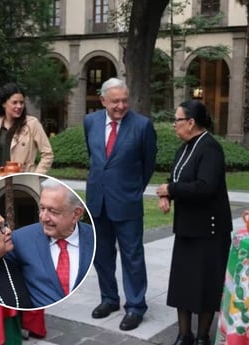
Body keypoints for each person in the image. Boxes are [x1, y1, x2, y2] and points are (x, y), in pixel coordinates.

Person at [156, 100, 232, 345]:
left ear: (191, 122)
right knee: (183, 284)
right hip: (186, 228)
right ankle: (184, 334)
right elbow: (176, 177)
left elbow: (205, 187)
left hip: (209, 231)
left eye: (177, 120)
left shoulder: (210, 148)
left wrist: (171, 188)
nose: (173, 125)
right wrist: (168, 194)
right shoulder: (184, 148)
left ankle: (202, 337)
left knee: (206, 285)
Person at [84, 77, 157, 331]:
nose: (121, 106)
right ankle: (109, 299)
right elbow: (95, 158)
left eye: (125, 100)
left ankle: (136, 306)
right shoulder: (90, 122)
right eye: (115, 101)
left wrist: (134, 191)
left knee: (132, 256)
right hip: (97, 202)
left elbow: (148, 164)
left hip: (127, 202)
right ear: (103, 100)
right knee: (101, 256)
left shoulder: (142, 125)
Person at [6, 178, 95, 308]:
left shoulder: (94, 238)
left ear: (76, 214)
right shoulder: (20, 239)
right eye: (42, 208)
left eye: (53, 211)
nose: (44, 217)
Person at [0, 83, 54, 173]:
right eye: (14, 102)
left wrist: (36, 176)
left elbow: (47, 154)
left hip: (23, 180)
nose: (19, 106)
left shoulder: (32, 124)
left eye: (21, 103)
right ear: (4, 104)